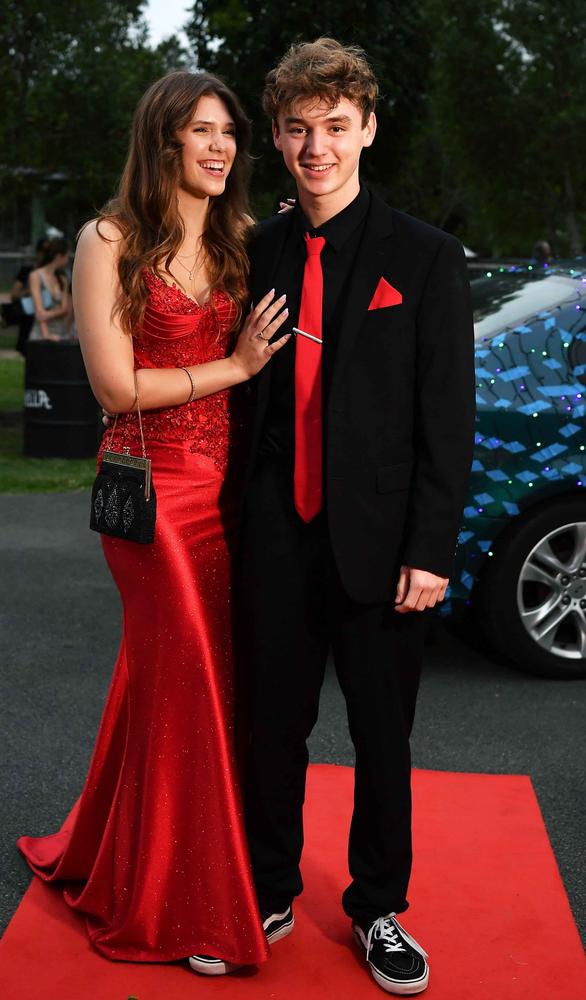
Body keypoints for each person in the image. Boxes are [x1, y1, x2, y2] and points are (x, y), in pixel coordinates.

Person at [17, 70, 291, 973]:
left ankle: (113, 853)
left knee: (177, 684)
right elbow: (114, 388)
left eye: (229, 134)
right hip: (154, 496)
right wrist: (237, 368)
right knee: (194, 690)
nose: (219, 148)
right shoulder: (112, 239)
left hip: (232, 497)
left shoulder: (247, 238)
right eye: (201, 131)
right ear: (164, 138)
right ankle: (187, 911)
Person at [237, 38, 475, 994]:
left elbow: (445, 419)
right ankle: (266, 888)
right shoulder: (253, 251)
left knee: (382, 736)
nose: (316, 146)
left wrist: (431, 549)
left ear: (368, 128)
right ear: (279, 136)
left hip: (382, 551)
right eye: (298, 128)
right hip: (274, 540)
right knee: (271, 732)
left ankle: (379, 909)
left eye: (336, 126)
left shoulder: (424, 256)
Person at [6, 237, 51, 354]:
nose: (45, 255)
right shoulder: (28, 271)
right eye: (43, 251)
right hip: (30, 316)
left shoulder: (56, 274)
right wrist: (32, 290)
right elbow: (14, 294)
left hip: (50, 317)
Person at [27, 237, 72, 342]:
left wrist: (46, 314)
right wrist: (46, 334)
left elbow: (64, 309)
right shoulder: (36, 276)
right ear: (59, 256)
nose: (67, 260)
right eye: (66, 256)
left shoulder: (62, 278)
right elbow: (39, 312)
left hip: (61, 332)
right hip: (41, 334)